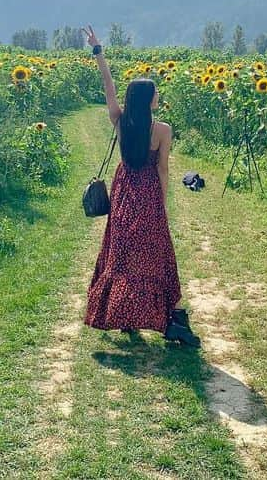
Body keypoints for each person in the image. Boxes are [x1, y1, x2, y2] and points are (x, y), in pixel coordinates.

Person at [82, 26, 201, 347]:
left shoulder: (120, 121)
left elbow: (108, 87)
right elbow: (163, 168)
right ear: (148, 99)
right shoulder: (162, 130)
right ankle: (173, 318)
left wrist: (99, 51)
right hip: (148, 192)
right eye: (156, 92)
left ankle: (121, 312)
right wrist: (162, 201)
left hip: (124, 191)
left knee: (120, 252)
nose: (159, 95)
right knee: (157, 253)